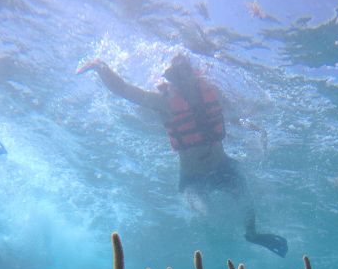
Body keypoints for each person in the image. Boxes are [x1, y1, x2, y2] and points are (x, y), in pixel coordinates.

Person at [76, 53, 288, 257]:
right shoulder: (163, 102)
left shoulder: (213, 93)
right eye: (173, 75)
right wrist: (100, 66)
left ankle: (252, 234)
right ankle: (219, 250)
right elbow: (124, 90)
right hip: (192, 179)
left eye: (183, 72)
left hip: (223, 166)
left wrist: (255, 128)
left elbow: (235, 117)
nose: (180, 80)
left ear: (193, 73)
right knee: (205, 214)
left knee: (245, 198)